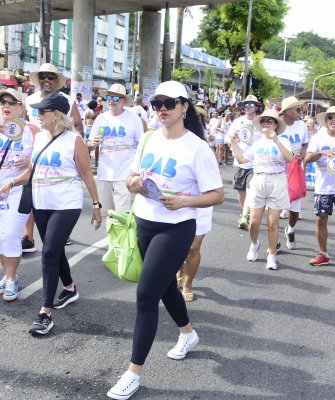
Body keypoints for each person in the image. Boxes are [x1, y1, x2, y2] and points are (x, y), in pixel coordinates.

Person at [107, 81, 223, 399]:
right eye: (156, 103)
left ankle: (133, 373)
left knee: (146, 295)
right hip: (144, 222)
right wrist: (133, 184)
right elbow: (132, 175)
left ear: (184, 106)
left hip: (176, 228)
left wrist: (186, 202)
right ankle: (187, 334)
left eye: (169, 103)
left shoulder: (198, 148)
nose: (162, 109)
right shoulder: (148, 138)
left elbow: (218, 194)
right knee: (166, 287)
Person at [0, 93, 102, 334]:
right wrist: (13, 183)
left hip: (66, 204)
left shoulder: (74, 139)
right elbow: (32, 170)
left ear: (55, 113)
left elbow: (87, 173)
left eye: (42, 111)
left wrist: (97, 206)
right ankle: (69, 288)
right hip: (41, 202)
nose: (37, 115)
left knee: (48, 253)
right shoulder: (40, 137)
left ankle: (45, 312)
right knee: (54, 251)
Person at [23, 63, 84, 252]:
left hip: (58, 155)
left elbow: (77, 125)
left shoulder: (67, 100)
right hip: (33, 152)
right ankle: (28, 236)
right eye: (43, 76)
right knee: (31, 194)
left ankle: (59, 231)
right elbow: (24, 123)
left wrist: (74, 149)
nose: (46, 80)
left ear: (57, 80)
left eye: (51, 77)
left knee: (55, 192)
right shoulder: (30, 99)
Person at [230, 109, 293, 269]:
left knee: (273, 222)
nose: (266, 123)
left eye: (270, 121)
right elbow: (242, 159)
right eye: (263, 120)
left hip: (277, 180)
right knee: (254, 222)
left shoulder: (283, 141)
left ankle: (271, 255)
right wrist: (234, 144)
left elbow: (290, 158)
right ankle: (254, 243)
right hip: (258, 180)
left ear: (276, 125)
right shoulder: (257, 143)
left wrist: (276, 140)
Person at [304, 106, 335, 268]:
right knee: (321, 219)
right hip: (323, 185)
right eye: (330, 117)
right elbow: (307, 158)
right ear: (326, 121)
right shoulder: (318, 137)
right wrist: (321, 153)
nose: (334, 120)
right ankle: (322, 253)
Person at [0, 88, 36, 301]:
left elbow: (43, 158)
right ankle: (6, 274)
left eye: (12, 102)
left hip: (18, 190)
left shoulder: (32, 130)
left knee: (10, 234)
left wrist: (30, 162)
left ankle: (12, 278)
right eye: (3, 101)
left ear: (21, 107)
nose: (7, 105)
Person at [86, 84, 144, 217]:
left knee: (121, 215)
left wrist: (137, 172)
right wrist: (91, 143)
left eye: (116, 98)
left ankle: (122, 238)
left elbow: (141, 145)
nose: (111, 100)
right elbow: (88, 143)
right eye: (109, 97)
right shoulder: (101, 119)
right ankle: (112, 238)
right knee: (108, 214)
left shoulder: (134, 119)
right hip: (104, 174)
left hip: (124, 174)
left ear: (123, 100)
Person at [225, 94, 263, 230]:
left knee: (250, 190)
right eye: (246, 105)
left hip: (255, 163)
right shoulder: (238, 121)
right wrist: (232, 140)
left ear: (256, 107)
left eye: (251, 105)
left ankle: (245, 215)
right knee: (241, 191)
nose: (249, 107)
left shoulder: (260, 122)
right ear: (243, 107)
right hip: (239, 161)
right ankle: (244, 214)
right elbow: (227, 138)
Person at [278, 96, 309, 250]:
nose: (300, 111)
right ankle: (274, 239)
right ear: (288, 111)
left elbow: (305, 143)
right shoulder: (277, 124)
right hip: (278, 171)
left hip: (295, 171)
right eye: (298, 109)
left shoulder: (301, 125)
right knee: (274, 208)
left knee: (295, 210)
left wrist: (302, 155)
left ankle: (290, 229)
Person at [176, 207, 213, 302]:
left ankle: (187, 285)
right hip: (176, 203)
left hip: (200, 206)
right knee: (177, 244)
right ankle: (178, 272)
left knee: (193, 248)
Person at [304, 117, 319, 188]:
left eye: (311, 123)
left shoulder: (317, 132)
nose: (309, 125)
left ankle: (313, 182)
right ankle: (305, 182)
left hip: (314, 152)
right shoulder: (305, 132)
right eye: (308, 123)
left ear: (313, 124)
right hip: (306, 152)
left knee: (313, 167)